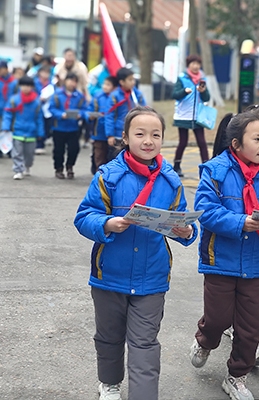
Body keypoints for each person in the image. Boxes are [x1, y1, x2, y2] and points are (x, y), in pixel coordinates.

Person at [74, 106, 197, 400]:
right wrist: (107, 223)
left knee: (144, 343)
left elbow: (182, 219)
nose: (148, 140)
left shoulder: (171, 181)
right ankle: (109, 383)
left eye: (155, 134)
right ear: (125, 138)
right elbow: (83, 216)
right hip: (109, 276)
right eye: (139, 133)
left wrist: (187, 232)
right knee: (109, 338)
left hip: (151, 278)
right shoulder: (108, 176)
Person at [190, 112, 259, 400]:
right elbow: (205, 211)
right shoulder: (215, 171)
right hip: (220, 260)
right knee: (218, 319)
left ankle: (236, 377)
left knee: (250, 328)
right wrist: (239, 222)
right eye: (256, 139)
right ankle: (205, 340)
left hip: (256, 262)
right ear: (236, 144)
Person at [172, 54, 211, 177]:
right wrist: (184, 91)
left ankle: (206, 167)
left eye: (198, 64)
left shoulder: (202, 79)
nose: (196, 66)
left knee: (202, 142)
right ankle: (176, 166)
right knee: (183, 142)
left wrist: (203, 92)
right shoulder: (182, 78)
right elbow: (175, 94)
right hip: (184, 115)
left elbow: (207, 97)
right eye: (193, 64)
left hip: (198, 115)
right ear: (188, 65)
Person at [2, 76, 44, 180]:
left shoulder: (36, 102)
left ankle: (27, 166)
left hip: (31, 132)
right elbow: (8, 114)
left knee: (29, 153)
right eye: (23, 85)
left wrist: (40, 132)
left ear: (32, 87)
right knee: (17, 153)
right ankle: (18, 170)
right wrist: (6, 127)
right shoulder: (14, 100)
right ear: (20, 86)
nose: (26, 88)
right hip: (17, 131)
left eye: (28, 86)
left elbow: (39, 118)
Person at [49, 72, 87, 179]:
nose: (72, 83)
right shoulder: (57, 95)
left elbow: (85, 109)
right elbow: (51, 108)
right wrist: (61, 115)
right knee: (58, 150)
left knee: (74, 148)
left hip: (73, 127)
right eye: (70, 80)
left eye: (75, 81)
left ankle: (70, 166)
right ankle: (58, 168)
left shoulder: (79, 96)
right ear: (65, 81)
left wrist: (81, 115)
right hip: (59, 127)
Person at [105, 67, 146, 149]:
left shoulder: (137, 95)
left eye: (133, 79)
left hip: (134, 133)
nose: (133, 82)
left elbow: (145, 111)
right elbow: (109, 116)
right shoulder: (114, 96)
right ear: (121, 82)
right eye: (130, 80)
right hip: (118, 134)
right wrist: (110, 135)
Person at [86, 76, 118, 173]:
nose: (105, 87)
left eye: (108, 85)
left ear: (115, 87)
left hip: (114, 134)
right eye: (104, 84)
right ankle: (98, 177)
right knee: (99, 156)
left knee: (112, 158)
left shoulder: (117, 97)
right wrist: (90, 117)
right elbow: (89, 110)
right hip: (99, 133)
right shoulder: (98, 96)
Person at [0, 61, 16, 157]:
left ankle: (9, 149)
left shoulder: (14, 82)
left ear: (6, 69)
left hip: (11, 110)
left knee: (10, 130)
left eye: (1, 69)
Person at [33, 66, 54, 155]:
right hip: (38, 107)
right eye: (43, 72)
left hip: (48, 109)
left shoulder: (51, 85)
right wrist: (39, 98)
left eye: (47, 73)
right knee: (38, 125)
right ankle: (38, 145)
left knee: (47, 126)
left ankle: (43, 142)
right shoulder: (35, 83)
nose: (45, 75)